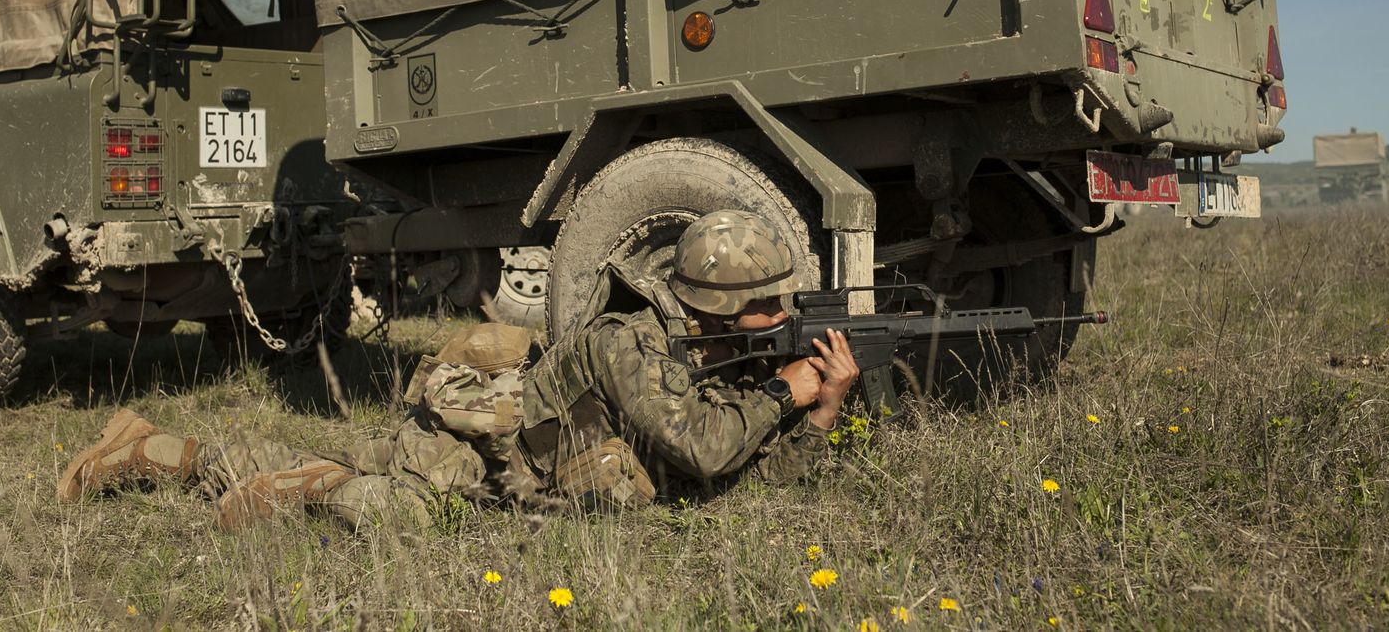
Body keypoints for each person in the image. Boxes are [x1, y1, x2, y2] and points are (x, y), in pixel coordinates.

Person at [57, 210, 861, 530]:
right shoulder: (633, 342)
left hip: (503, 468)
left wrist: (820, 414)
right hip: (474, 466)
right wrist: (785, 391)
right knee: (368, 505)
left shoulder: (715, 349)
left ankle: (143, 446)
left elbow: (746, 474)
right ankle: (155, 457)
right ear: (715, 304)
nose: (783, 319)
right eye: (768, 305)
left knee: (334, 464)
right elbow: (708, 449)